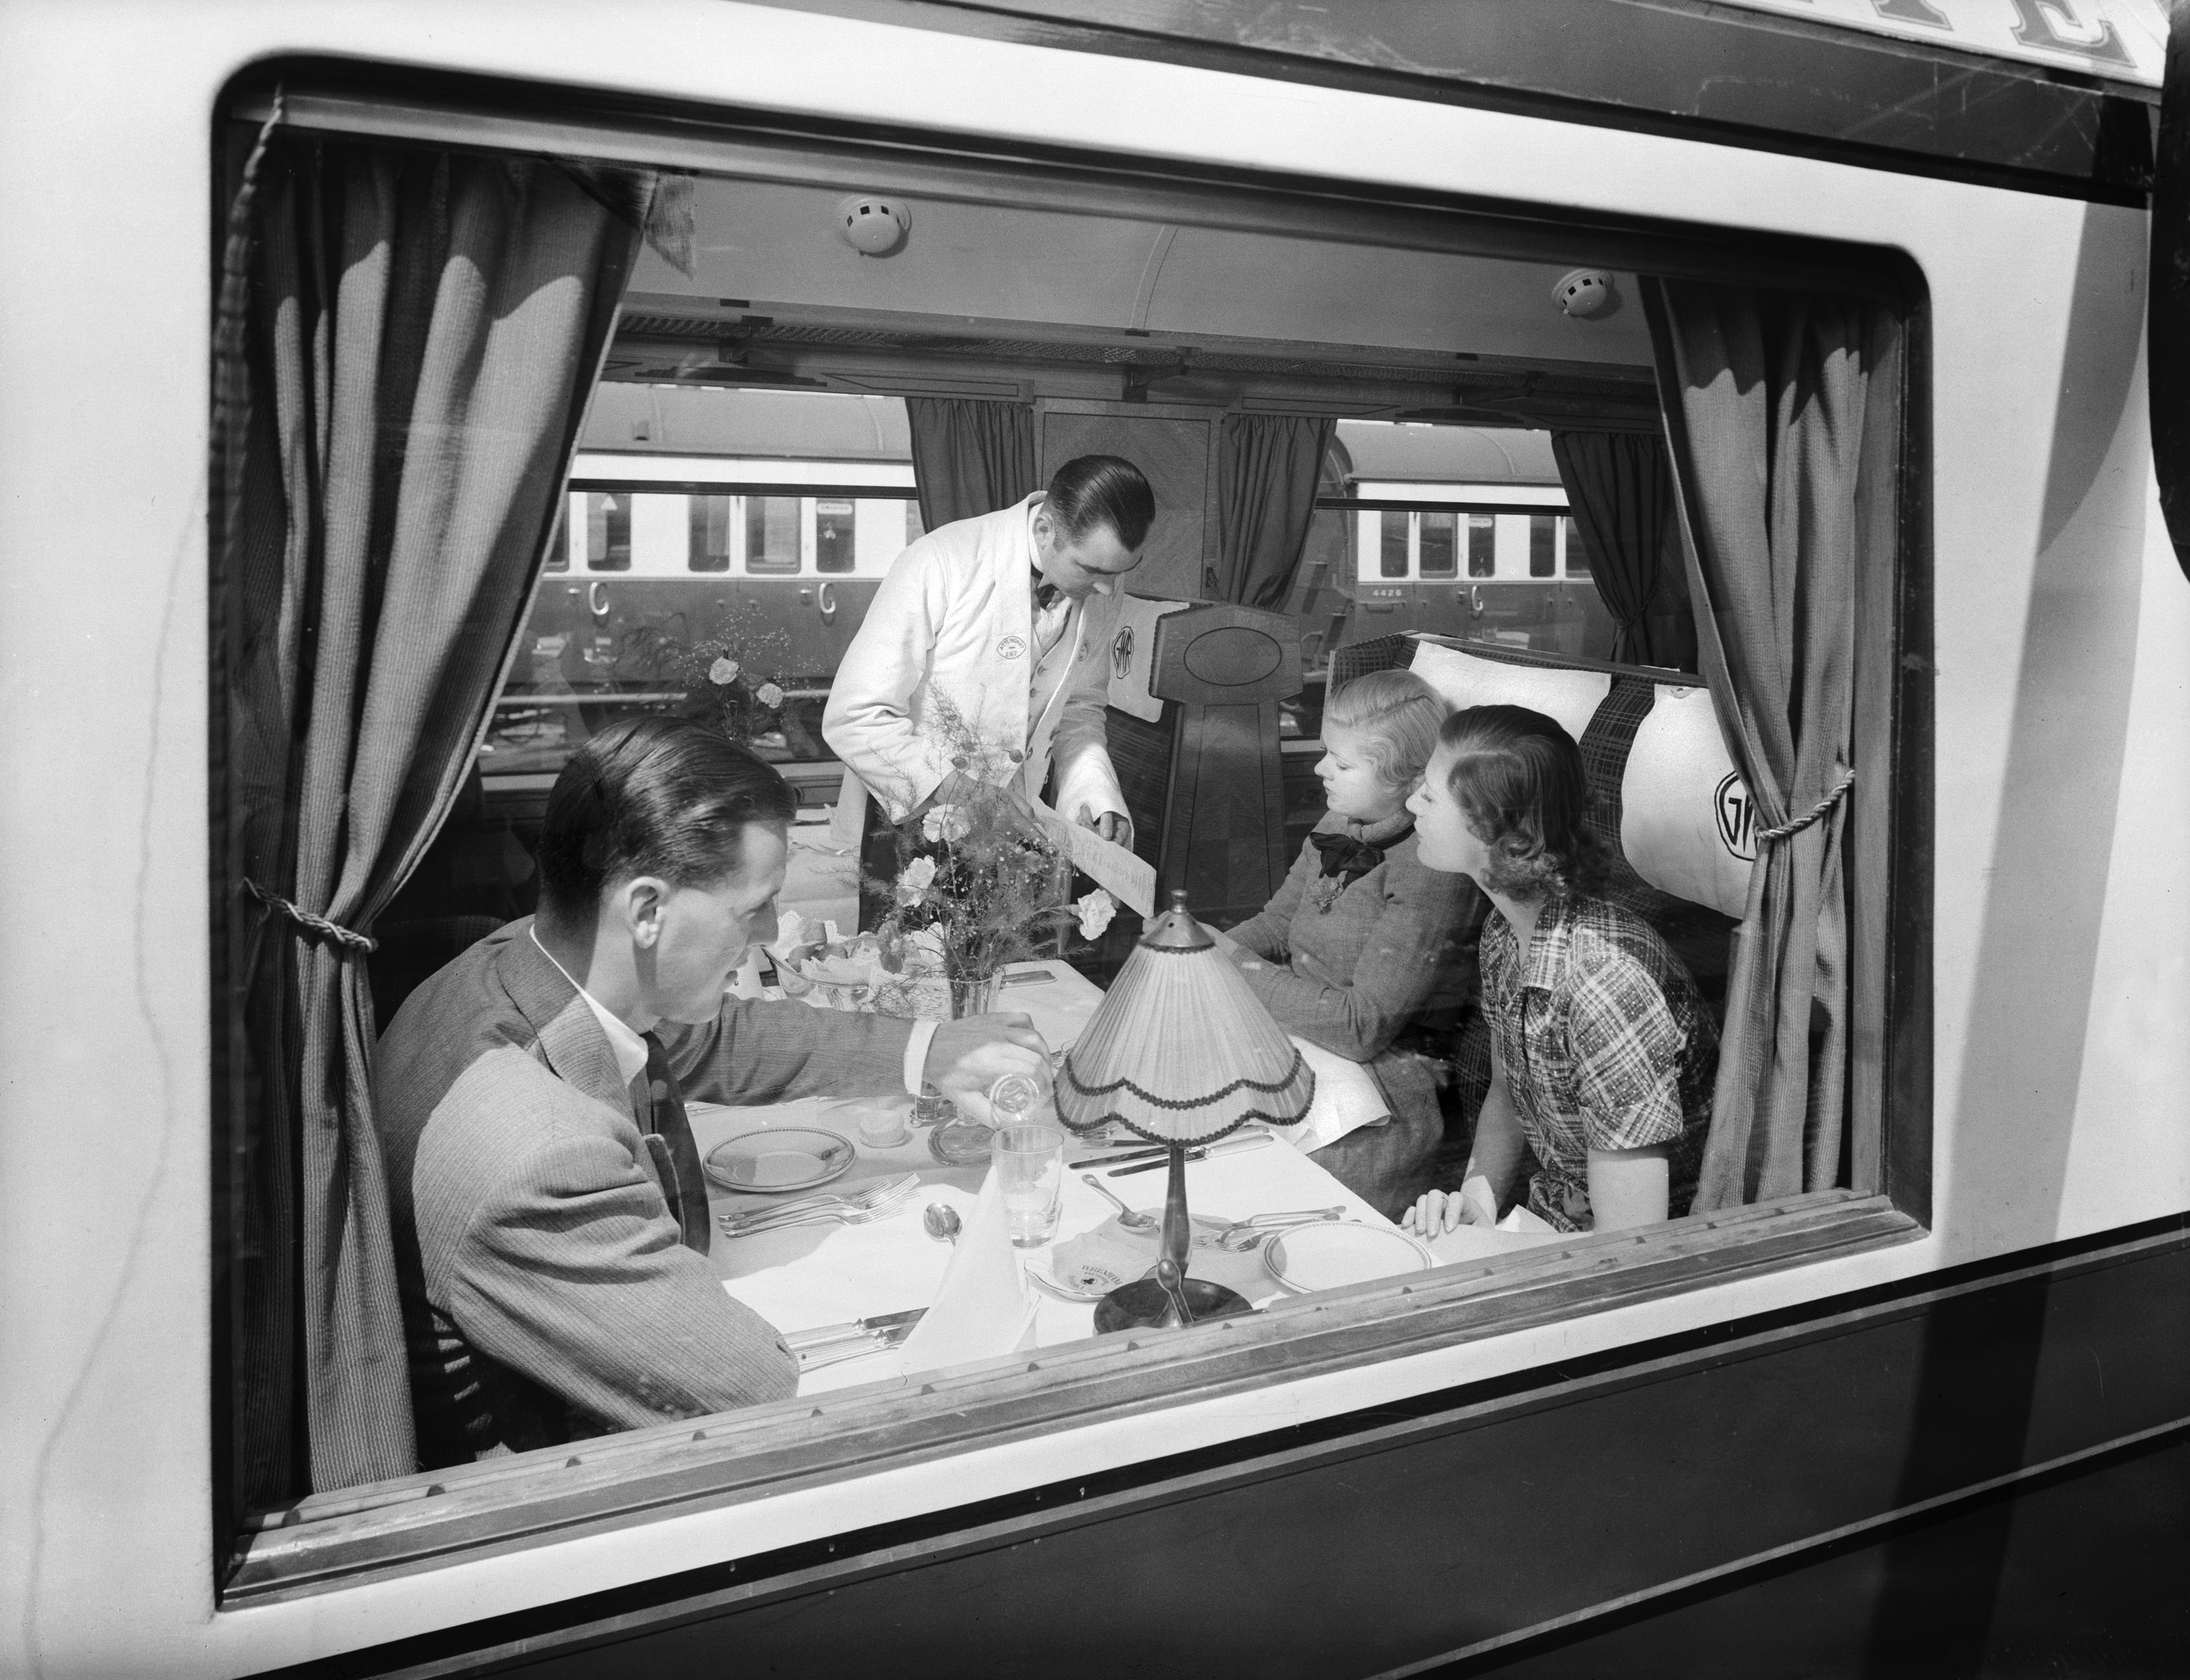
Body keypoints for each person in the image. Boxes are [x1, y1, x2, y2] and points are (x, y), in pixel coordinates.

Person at [374, 716, 1051, 1466]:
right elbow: (751, 1392)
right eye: (752, 907)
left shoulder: (519, 961)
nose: (770, 932)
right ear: (646, 911)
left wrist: (933, 1053)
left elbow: (714, 1038)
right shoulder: (541, 1163)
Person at [1400, 704, 1716, 1237]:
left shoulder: (1606, 987)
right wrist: (1477, 1205)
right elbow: (1509, 1090)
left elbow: (1631, 1243)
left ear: (1494, 830)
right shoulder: (1506, 932)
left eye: (1429, 795)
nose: (1411, 804)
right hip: (1556, 1220)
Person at [1220, 671, 1479, 1218]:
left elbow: (1363, 1028)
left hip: (1383, 1083)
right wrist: (1202, 951)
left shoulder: (1432, 868)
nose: (1321, 770)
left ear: (1408, 782)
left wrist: (1233, 966)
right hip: (1297, 1038)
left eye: (1341, 764)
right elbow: (1276, 924)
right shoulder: (1340, 820)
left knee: (1249, 1185)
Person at [822, 455, 1154, 849]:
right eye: (1091, 570)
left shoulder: (1103, 582)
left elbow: (1079, 709)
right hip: (910, 821)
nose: (1108, 589)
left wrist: (1098, 800)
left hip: (1017, 829)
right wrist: (966, 794)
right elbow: (855, 716)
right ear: (1045, 531)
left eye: (1122, 571)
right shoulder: (939, 559)